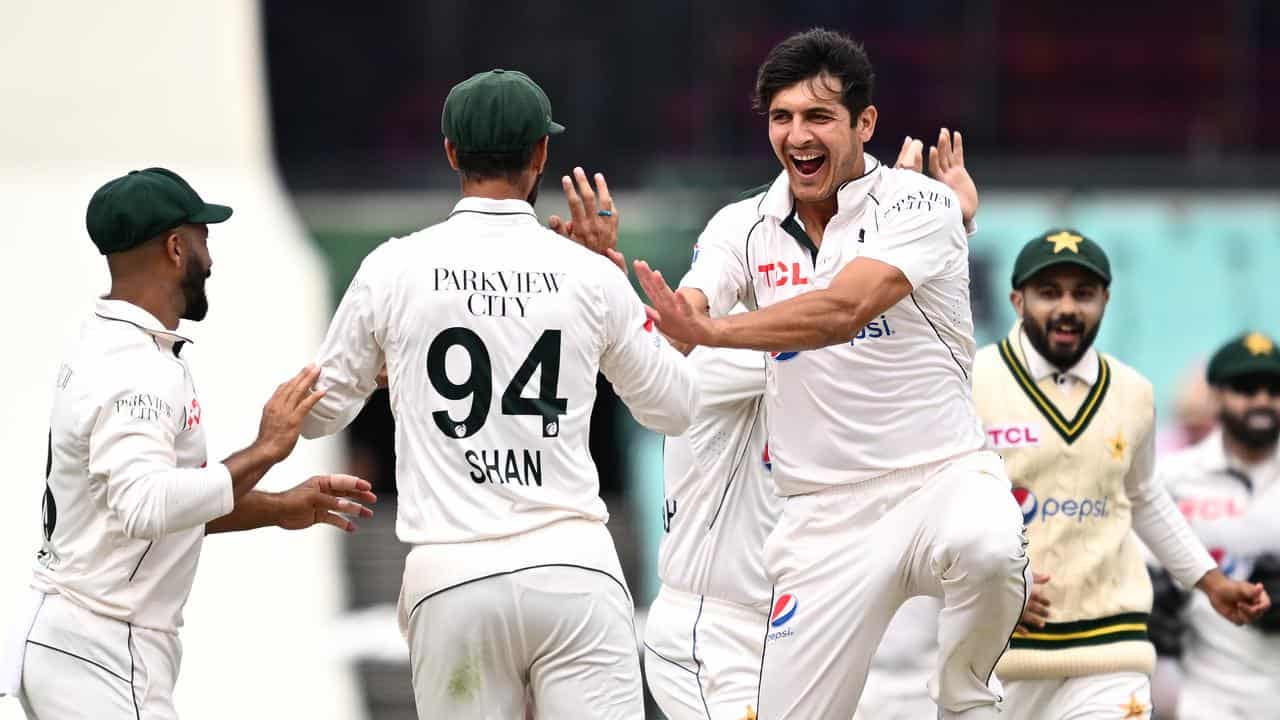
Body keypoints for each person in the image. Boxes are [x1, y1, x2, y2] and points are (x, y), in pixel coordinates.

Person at [633, 29, 1031, 719]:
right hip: (822, 515)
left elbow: (845, 309)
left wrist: (710, 332)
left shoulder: (918, 202)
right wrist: (676, 316)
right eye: (781, 118)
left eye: (818, 117)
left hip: (939, 475)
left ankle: (963, 695)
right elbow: (695, 299)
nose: (797, 136)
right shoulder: (742, 223)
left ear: (864, 123)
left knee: (991, 546)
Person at [298, 69, 698, 720]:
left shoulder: (394, 267)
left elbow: (319, 417)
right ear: (541, 155)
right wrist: (615, 275)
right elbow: (675, 407)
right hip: (574, 572)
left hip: (452, 579)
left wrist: (381, 370)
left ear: (451, 152)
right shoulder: (587, 274)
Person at [1, 167, 376, 719]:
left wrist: (276, 507)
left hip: (83, 638)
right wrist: (266, 447)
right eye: (204, 237)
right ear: (176, 247)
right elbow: (144, 506)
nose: (211, 257)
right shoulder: (137, 369)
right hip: (103, 644)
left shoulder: (108, 342)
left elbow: (153, 505)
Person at [967, 231, 1270, 718]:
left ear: (1105, 300)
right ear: (1016, 301)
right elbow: (939, 506)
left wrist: (1210, 583)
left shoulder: (1132, 392)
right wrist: (983, 588)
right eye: (1050, 293)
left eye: (1083, 294)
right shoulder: (972, 382)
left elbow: (1145, 496)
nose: (1067, 308)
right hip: (995, 655)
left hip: (1111, 650)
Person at [1150, 332, 1280, 719]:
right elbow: (1141, 580)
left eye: (1273, 389)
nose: (1261, 400)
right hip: (1205, 699)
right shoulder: (1170, 479)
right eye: (1245, 388)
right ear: (1215, 397)